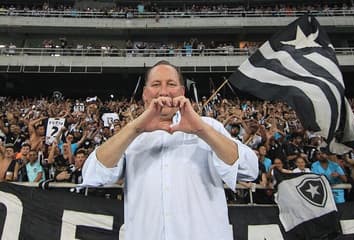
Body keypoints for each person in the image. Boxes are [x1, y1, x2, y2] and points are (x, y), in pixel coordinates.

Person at [82, 60, 258, 240]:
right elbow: (92, 175)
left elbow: (249, 169)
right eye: (156, 84)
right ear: (145, 94)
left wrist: (202, 130)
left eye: (171, 84)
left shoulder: (209, 127)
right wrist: (134, 129)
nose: (164, 91)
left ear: (182, 92)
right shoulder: (131, 136)